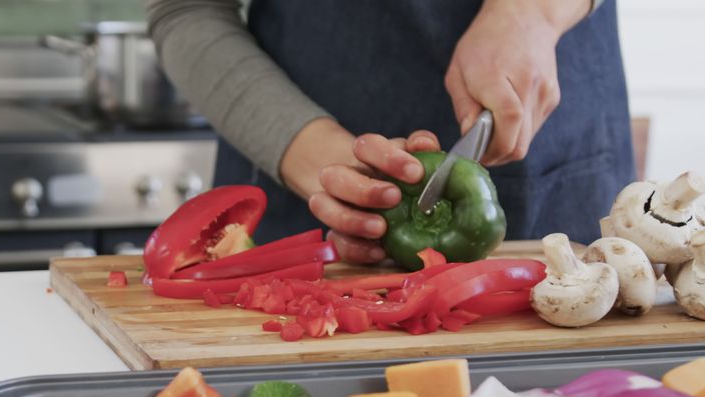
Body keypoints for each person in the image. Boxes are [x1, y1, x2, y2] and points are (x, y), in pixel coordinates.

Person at [146, 0, 635, 264]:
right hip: (299, 189)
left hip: (555, 176)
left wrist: (532, 10)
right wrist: (308, 152)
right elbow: (186, 9)